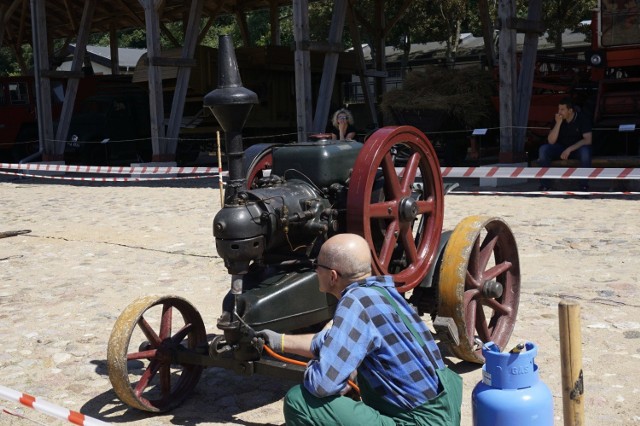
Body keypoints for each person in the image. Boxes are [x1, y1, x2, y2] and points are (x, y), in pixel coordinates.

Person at [258, 234, 462, 426]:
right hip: (441, 413)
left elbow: (322, 385)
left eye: (316, 266)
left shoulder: (354, 303)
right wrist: (277, 341)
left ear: (332, 276)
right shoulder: (381, 293)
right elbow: (329, 341)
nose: (315, 271)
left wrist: (319, 365)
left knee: (299, 401)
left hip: (416, 421)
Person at [538, 97, 593, 191]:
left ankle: (584, 185)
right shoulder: (557, 119)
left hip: (576, 149)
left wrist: (570, 149)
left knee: (585, 152)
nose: (559, 112)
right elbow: (551, 141)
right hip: (560, 149)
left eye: (562, 109)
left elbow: (588, 140)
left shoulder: (582, 118)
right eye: (559, 109)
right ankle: (545, 185)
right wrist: (558, 123)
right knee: (544, 149)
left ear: (570, 110)